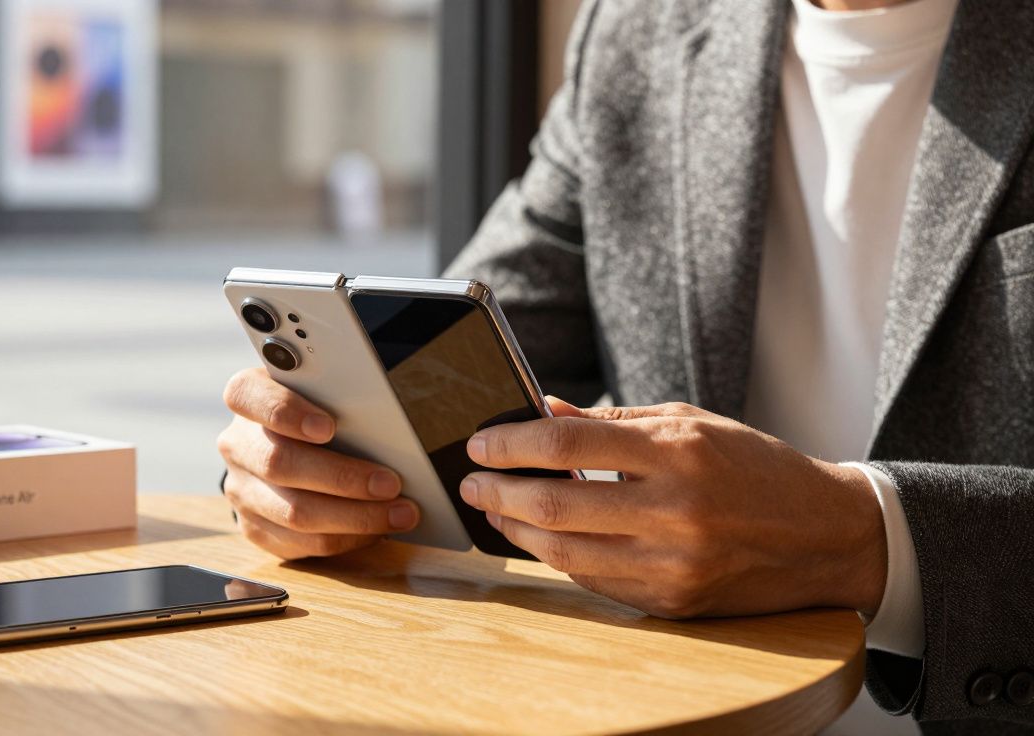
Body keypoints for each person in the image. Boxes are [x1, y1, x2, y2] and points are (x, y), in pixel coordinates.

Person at [216, 0, 1034, 732]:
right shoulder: (638, 35)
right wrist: (309, 460)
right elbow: (449, 363)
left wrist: (863, 538)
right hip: (689, 710)